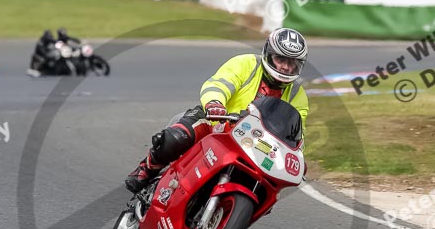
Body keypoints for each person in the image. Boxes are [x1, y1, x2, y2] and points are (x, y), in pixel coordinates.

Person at [125, 27, 310, 193]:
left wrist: (296, 157)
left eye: (292, 62)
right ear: (268, 54)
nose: (286, 66)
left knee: (266, 189)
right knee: (176, 138)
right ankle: (147, 168)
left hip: (254, 146)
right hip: (216, 122)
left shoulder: (297, 94)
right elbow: (219, 84)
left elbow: (296, 133)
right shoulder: (246, 64)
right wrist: (215, 103)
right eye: (280, 59)